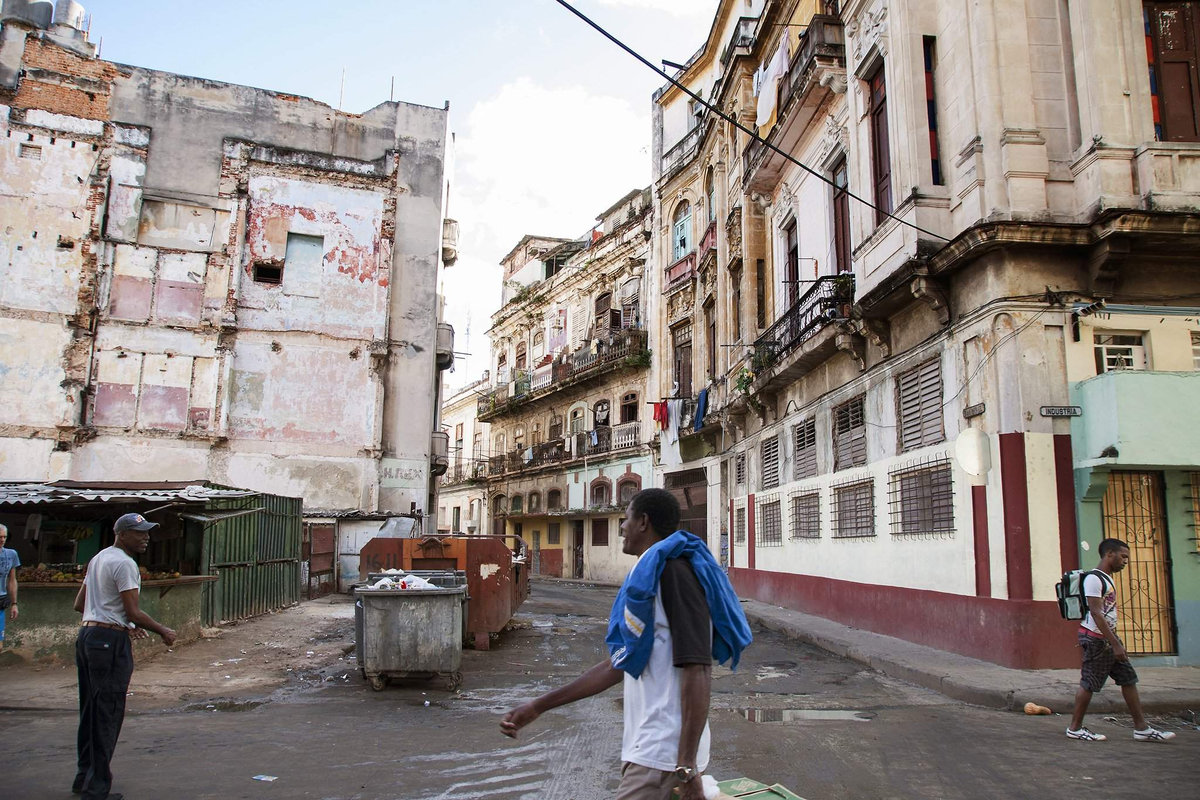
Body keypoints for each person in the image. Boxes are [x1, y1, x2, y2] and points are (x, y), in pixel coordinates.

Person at [500, 488, 752, 799]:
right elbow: (616, 664)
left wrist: (686, 766)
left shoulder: (674, 573)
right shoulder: (651, 575)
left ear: (643, 522)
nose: (621, 527)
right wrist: (538, 706)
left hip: (663, 758)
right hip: (649, 755)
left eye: (626, 518)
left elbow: (698, 669)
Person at [72, 513, 177, 799]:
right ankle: (97, 789)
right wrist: (162, 630)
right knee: (107, 713)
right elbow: (133, 612)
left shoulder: (99, 559)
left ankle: (83, 776)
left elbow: (80, 604)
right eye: (139, 532)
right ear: (121, 534)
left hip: (88, 638)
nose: (146, 537)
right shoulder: (124, 563)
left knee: (90, 711)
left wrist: (119, 623)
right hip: (108, 644)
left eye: (147, 532)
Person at [1066, 537, 1175, 743]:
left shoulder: (1107, 578)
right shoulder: (1094, 579)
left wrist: (1115, 640)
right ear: (1109, 554)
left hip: (1108, 638)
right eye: (1123, 556)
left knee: (1128, 679)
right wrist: (1115, 644)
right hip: (1097, 639)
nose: (1125, 561)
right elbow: (1097, 613)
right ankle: (1075, 728)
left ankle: (1141, 728)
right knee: (1089, 683)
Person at [0, 523, 19, 652]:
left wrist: (14, 603)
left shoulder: (11, 554)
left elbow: (12, 580)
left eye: (4, 537)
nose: (2, 540)